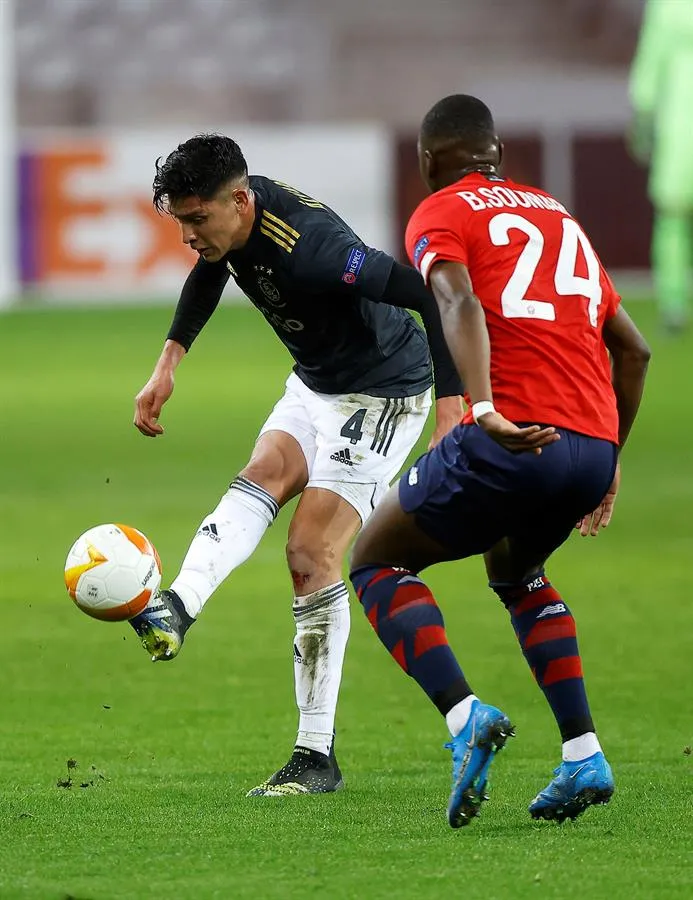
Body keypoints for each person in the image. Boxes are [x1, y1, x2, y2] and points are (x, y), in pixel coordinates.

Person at [130, 134, 464, 797]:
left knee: (310, 552)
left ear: (239, 201)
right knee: (260, 476)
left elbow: (427, 296)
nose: (190, 236)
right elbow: (211, 267)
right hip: (315, 383)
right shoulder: (229, 226)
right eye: (182, 222)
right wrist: (169, 361)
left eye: (197, 221)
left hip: (381, 394)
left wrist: (453, 405)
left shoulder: (318, 251)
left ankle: (316, 755)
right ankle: (177, 607)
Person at [349, 94, 651, 828]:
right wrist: (609, 459)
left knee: (374, 560)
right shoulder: (557, 215)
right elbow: (633, 350)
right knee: (515, 572)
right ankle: (581, 751)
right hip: (588, 446)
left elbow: (455, 300)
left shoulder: (442, 211)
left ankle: (464, 719)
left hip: (512, 436)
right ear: (498, 158)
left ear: (428, 162)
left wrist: (481, 407)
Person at [629, 0, 693, 332]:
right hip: (677, 121)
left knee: (672, 219)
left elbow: (651, 62)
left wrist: (642, 117)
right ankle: (672, 305)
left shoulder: (668, 6)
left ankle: (673, 305)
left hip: (679, 124)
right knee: (672, 218)